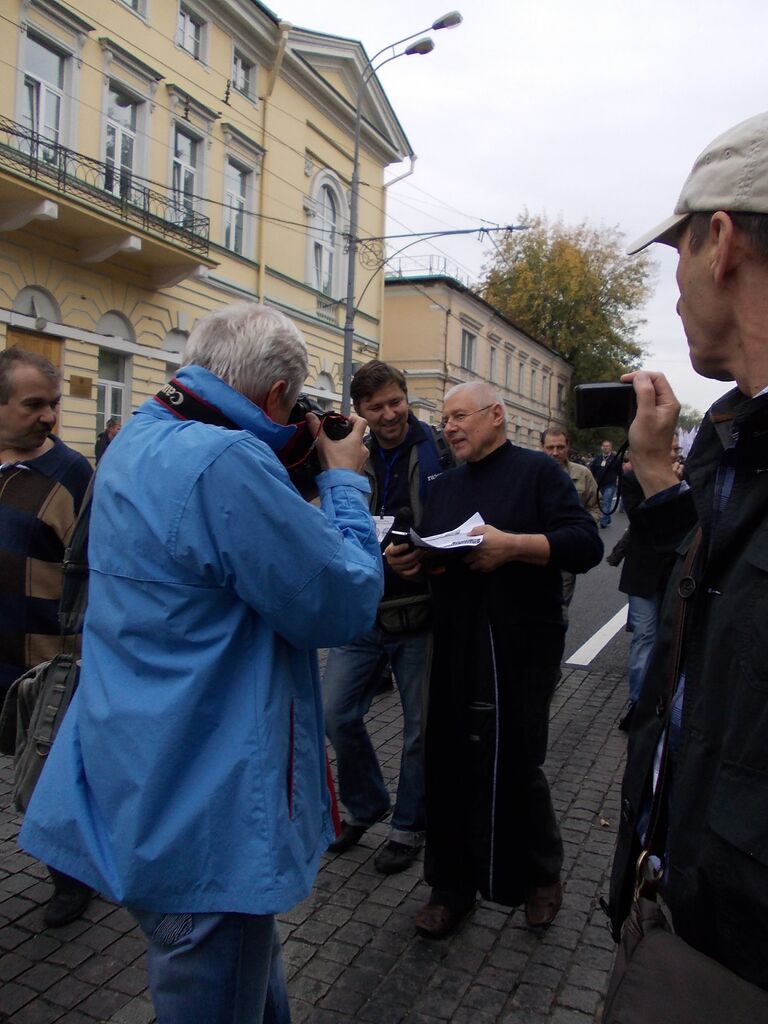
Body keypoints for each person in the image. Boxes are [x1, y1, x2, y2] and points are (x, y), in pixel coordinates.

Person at [19, 303, 384, 1023]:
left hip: (141, 771)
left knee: (246, 983)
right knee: (218, 986)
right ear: (277, 396)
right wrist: (344, 482)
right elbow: (339, 606)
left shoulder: (140, 437)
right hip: (207, 805)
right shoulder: (225, 459)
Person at [607, 111, 768, 996]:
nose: (674, 290)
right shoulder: (732, 438)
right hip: (683, 912)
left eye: (673, 258)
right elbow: (717, 601)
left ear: (720, 242)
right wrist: (663, 484)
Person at [387, 382, 602, 937]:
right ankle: (451, 886)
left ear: (497, 415)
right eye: (445, 418)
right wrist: (416, 563)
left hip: (522, 637)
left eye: (460, 416)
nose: (450, 426)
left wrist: (513, 546)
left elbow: (585, 543)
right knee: (448, 755)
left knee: (516, 757)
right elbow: (440, 556)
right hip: (457, 634)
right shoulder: (445, 485)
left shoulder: (538, 472)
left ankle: (539, 876)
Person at [323, 360, 452, 874]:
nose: (389, 413)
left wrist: (427, 555)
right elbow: (333, 516)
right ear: (361, 412)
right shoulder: (351, 451)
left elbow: (463, 517)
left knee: (420, 729)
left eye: (395, 401)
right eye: (376, 407)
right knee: (335, 713)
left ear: (406, 396)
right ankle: (365, 804)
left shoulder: (438, 448)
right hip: (363, 612)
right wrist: (378, 556)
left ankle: (408, 825)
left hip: (421, 613)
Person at [0, 347, 94, 928]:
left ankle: (72, 876)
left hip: (43, 666)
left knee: (47, 783)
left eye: (53, 405)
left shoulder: (72, 473)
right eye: (33, 405)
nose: (48, 417)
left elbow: (94, 571)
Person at [610, 438, 683, 732]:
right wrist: (667, 489)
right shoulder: (632, 479)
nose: (676, 453)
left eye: (677, 449)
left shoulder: (685, 477)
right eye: (672, 447)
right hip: (642, 572)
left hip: (674, 572)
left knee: (669, 638)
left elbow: (689, 522)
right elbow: (640, 520)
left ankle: (663, 701)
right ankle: (639, 704)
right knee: (644, 636)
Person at [541, 426, 600, 615]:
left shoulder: (583, 474)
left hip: (566, 549)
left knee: (560, 609)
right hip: (535, 547)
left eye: (560, 447)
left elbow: (596, 507)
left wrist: (580, 529)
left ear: (568, 447)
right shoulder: (530, 472)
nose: (555, 453)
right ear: (542, 447)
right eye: (550, 447)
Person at [589, 439, 621, 527]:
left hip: (610, 484)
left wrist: (620, 481)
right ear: (601, 447)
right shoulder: (598, 458)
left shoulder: (615, 458)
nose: (605, 448)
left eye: (607, 446)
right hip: (598, 484)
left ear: (611, 447)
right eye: (604, 446)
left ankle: (603, 522)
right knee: (600, 503)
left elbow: (620, 471)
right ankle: (607, 518)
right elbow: (592, 471)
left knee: (607, 501)